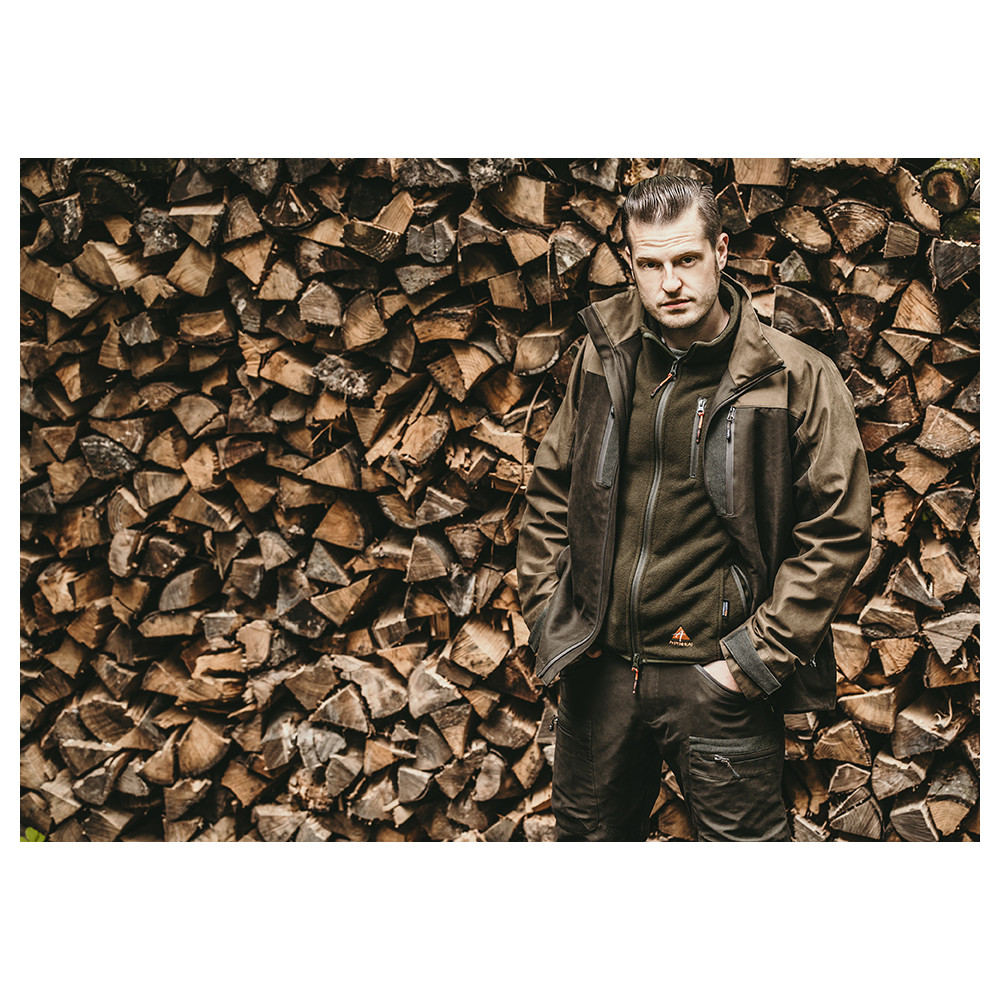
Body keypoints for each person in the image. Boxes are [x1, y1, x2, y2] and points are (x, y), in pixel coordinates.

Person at [516, 174, 872, 841]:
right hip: (598, 675)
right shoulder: (604, 355)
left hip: (715, 683)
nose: (670, 283)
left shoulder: (792, 376)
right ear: (630, 264)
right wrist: (549, 615)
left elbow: (838, 530)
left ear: (721, 252)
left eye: (686, 259)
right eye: (651, 265)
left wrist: (749, 660)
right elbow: (552, 491)